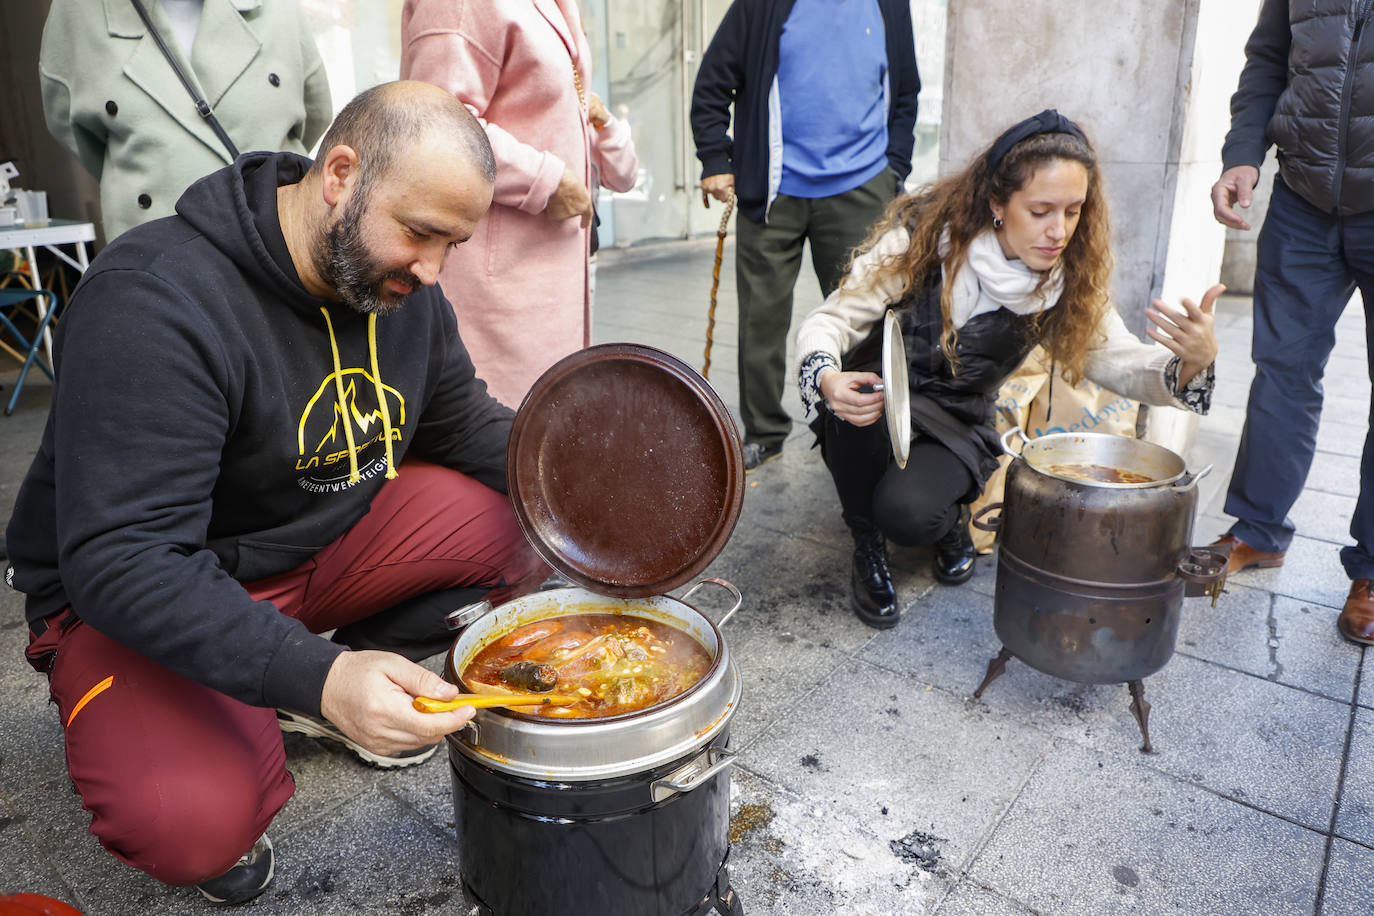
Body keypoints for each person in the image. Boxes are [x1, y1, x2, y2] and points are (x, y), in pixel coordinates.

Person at [3, 81, 548, 906]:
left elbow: (464, 425)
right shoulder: (155, 299)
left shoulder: (401, 291)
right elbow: (123, 561)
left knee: (533, 527)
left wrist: (588, 486)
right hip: (145, 589)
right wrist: (315, 672)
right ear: (340, 174)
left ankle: (337, 681)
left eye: (454, 245)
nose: (433, 271)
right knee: (189, 821)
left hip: (310, 549)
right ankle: (294, 692)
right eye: (420, 234)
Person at [794, 110, 1222, 629]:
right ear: (998, 204)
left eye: (1073, 210)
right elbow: (830, 320)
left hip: (955, 417)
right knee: (848, 418)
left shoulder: (1065, 283)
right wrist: (827, 378)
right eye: (1041, 210)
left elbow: (1123, 364)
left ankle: (946, 523)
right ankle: (866, 546)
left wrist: (1191, 361)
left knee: (909, 515)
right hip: (884, 389)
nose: (1059, 231)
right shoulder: (924, 238)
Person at [690, 0, 919, 471]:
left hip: (862, 187)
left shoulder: (889, 4)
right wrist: (716, 158)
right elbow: (713, 81)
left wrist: (894, 168)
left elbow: (905, 94)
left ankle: (859, 432)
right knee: (761, 321)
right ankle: (765, 433)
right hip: (772, 188)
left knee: (865, 322)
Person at [1208, 0, 1374, 646]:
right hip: (1303, 202)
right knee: (1281, 372)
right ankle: (1258, 529)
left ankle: (1370, 572)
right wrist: (1243, 154)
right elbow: (1269, 60)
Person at [400, 0, 639, 409]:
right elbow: (434, 122)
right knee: (503, 435)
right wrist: (546, 181)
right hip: (498, 279)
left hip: (541, 269)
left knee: (538, 428)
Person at [39, 0, 333, 241]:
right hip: (156, 261)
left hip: (276, 247)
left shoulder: (278, 8)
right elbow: (70, 125)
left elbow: (315, 111)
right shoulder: (78, 11)